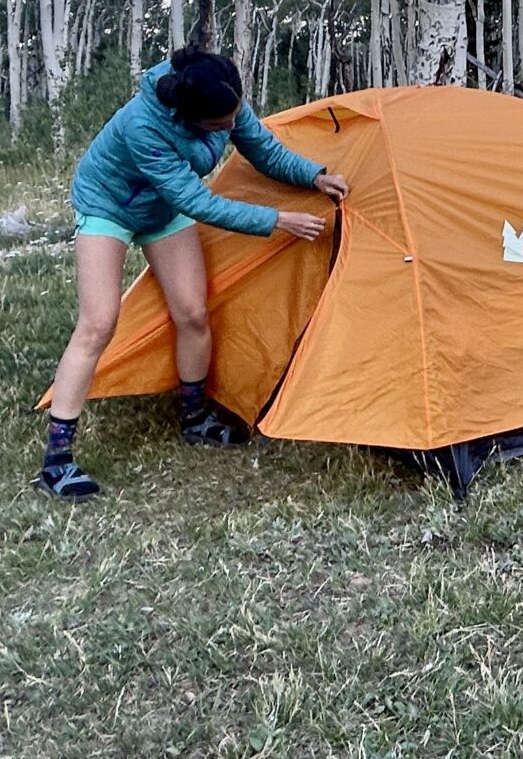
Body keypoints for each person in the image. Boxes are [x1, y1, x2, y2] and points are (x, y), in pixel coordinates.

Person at [37, 46, 349, 498]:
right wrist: (276, 220)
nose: (231, 126)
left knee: (193, 313)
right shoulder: (142, 125)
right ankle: (58, 459)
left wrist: (313, 175)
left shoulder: (220, 93)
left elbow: (259, 145)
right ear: (189, 117)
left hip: (163, 206)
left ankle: (194, 417)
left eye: (233, 116)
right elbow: (197, 202)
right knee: (98, 324)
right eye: (220, 126)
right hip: (110, 205)